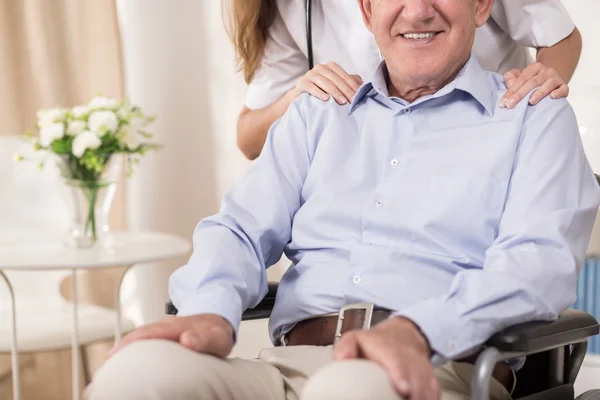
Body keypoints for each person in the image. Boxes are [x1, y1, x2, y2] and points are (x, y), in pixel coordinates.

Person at [86, 0, 600, 399]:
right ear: (367, 10)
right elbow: (238, 229)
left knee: (349, 390)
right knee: (135, 375)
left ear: (483, 5)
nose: (418, 10)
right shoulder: (319, 114)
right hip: (289, 367)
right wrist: (209, 310)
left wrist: (418, 332)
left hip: (437, 368)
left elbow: (535, 263)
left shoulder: (532, 117)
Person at [232, 0, 582, 160]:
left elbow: (560, 36)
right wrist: (299, 96)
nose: (416, 13)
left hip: (481, 154)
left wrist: (535, 96)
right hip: (378, 166)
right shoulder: (286, 5)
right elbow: (249, 140)